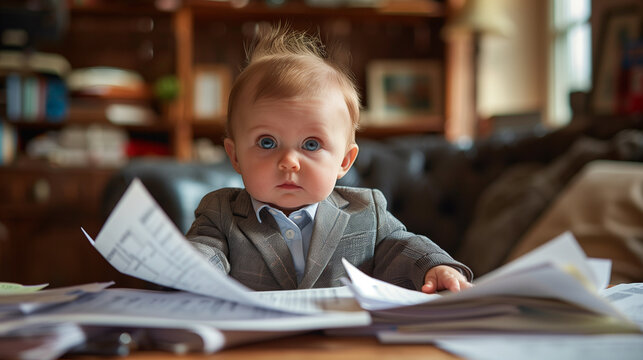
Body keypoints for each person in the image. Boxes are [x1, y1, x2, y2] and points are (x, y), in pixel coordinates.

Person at [186, 24, 473, 293]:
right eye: (267, 142)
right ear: (235, 156)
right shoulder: (220, 213)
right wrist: (190, 271)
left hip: (343, 343)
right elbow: (202, 253)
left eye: (311, 144)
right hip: (252, 343)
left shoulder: (365, 213)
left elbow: (404, 246)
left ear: (344, 161)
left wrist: (436, 266)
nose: (289, 161)